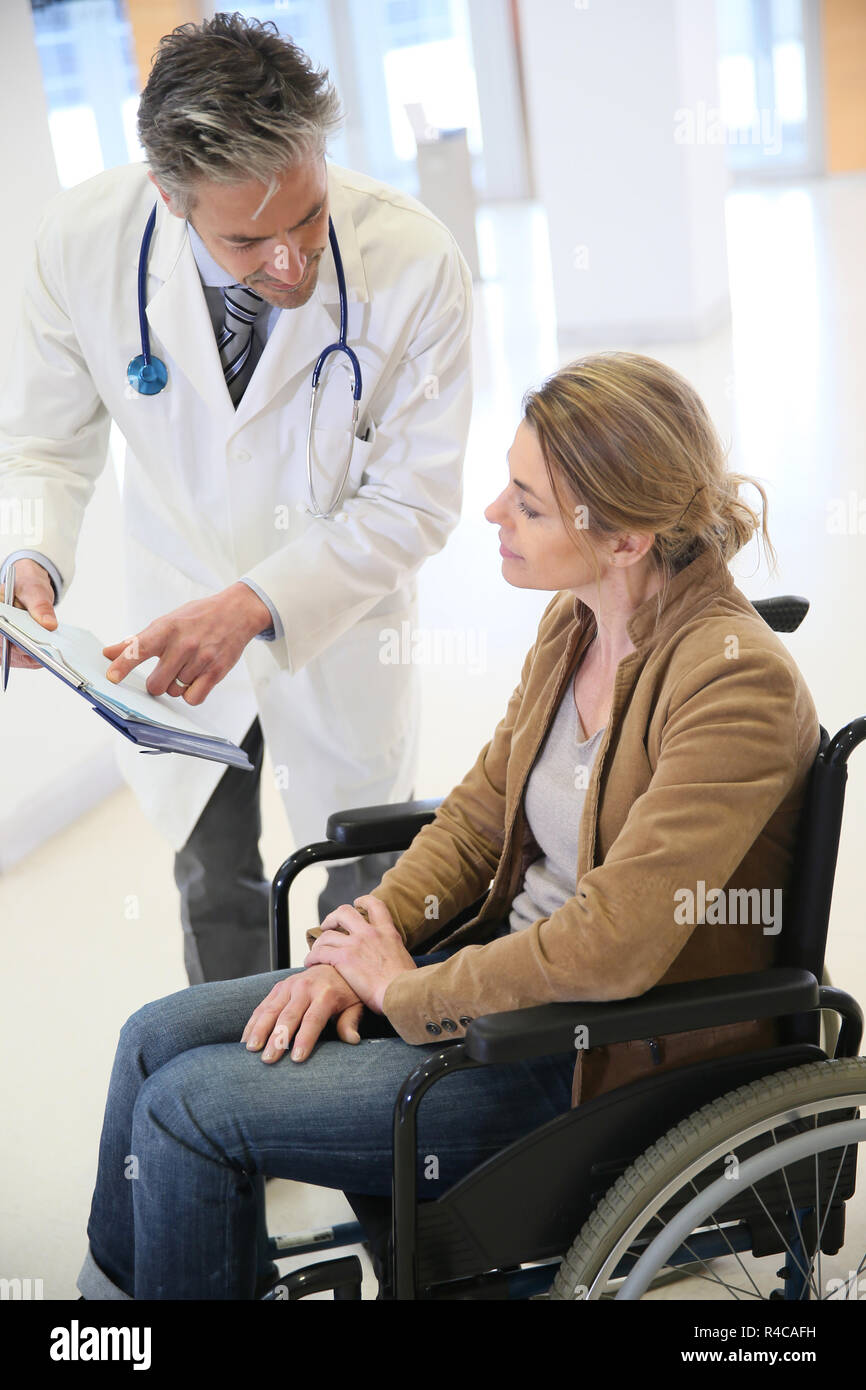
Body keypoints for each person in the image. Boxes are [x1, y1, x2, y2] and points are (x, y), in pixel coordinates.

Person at [75, 352, 821, 1299]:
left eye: (528, 501)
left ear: (626, 537)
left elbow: (618, 946)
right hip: (500, 994)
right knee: (154, 1037)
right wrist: (367, 942)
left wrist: (407, 994)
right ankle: (108, 1325)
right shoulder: (579, 622)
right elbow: (476, 818)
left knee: (191, 1108)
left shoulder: (733, 684)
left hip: (598, 1056)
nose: (492, 514)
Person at [0, 14, 473, 984]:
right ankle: (236, 1106)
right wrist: (31, 557)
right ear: (170, 198)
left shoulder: (414, 265)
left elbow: (415, 500)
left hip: (335, 631)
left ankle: (354, 1112)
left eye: (307, 217)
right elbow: (45, 443)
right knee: (214, 890)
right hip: (176, 631)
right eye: (249, 240)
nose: (291, 263)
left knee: (363, 899)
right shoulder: (84, 246)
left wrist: (258, 601)